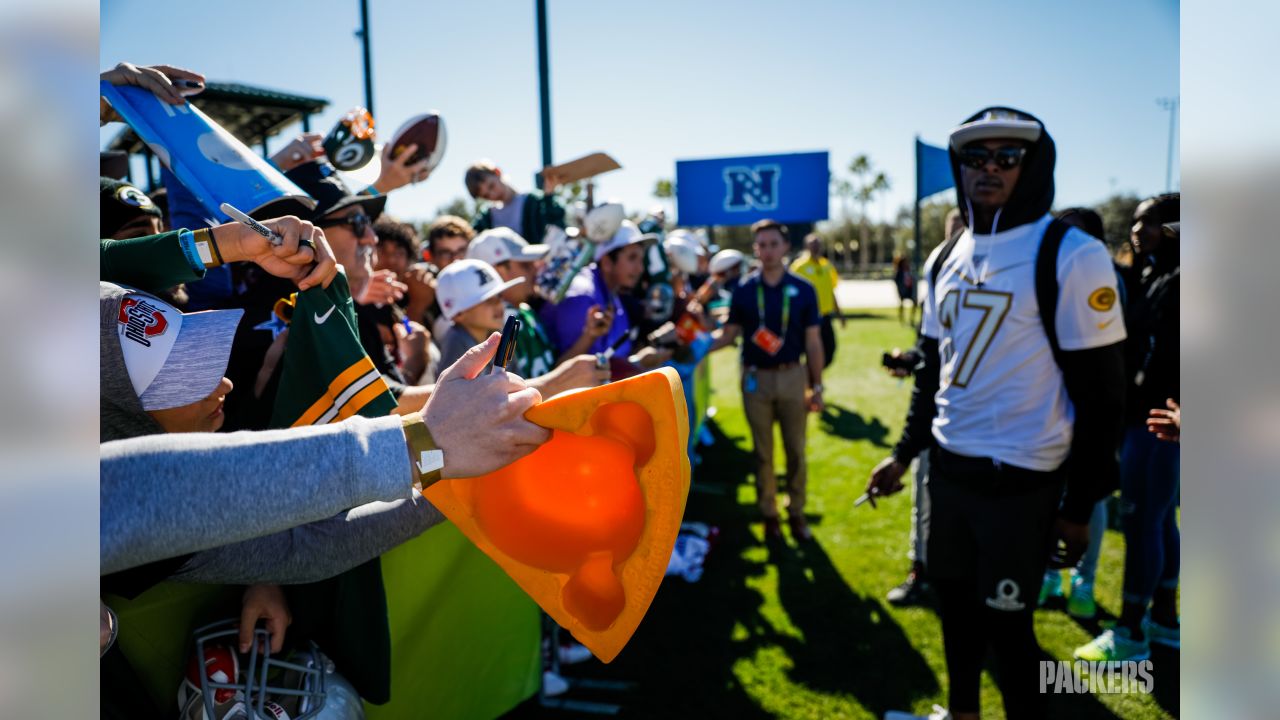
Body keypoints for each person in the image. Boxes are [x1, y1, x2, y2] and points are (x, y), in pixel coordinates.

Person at [867, 108, 1127, 720]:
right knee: (955, 616)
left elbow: (1103, 398)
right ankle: (961, 715)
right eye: (975, 158)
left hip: (1023, 484)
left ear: (1033, 166)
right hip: (951, 475)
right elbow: (933, 371)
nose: (988, 168)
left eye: (1006, 157)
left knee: (1011, 637)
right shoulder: (944, 257)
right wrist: (904, 454)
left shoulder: (1071, 253)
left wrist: (1078, 507)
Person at [1075, 193, 1180, 663]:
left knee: (1142, 524)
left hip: (1159, 422)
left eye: (1152, 222)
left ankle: (1130, 633)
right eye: (1136, 223)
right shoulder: (1153, 275)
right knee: (1159, 522)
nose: (1139, 231)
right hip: (1146, 418)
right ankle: (1163, 621)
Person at [708, 219, 825, 541]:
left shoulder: (803, 290)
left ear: (786, 247)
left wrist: (817, 386)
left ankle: (796, 513)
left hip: (792, 376)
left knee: (795, 452)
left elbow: (814, 342)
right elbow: (729, 333)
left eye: (773, 244)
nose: (767, 251)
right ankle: (769, 513)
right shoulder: (745, 289)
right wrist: (696, 344)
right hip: (755, 379)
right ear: (754, 249)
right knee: (762, 454)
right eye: (761, 245)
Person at [468, 227, 610, 394]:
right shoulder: (491, 325)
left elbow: (553, 373)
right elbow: (499, 398)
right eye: (525, 264)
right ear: (498, 271)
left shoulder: (525, 311)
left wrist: (588, 336)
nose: (536, 268)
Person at [542, 220, 670, 368]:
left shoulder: (613, 293)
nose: (640, 269)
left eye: (641, 260)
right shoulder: (581, 298)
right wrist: (636, 363)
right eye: (632, 258)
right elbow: (567, 376)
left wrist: (644, 354)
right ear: (607, 262)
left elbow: (614, 357)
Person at [435, 258, 524, 370]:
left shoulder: (494, 331)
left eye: (499, 296)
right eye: (488, 300)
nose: (498, 304)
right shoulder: (456, 341)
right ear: (458, 314)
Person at [465, 159, 567, 245]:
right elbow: (470, 237)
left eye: (492, 186)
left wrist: (548, 198)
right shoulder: (486, 218)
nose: (492, 195)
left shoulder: (533, 201)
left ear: (497, 172)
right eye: (486, 196)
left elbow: (556, 224)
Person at [791, 233, 844, 367]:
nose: (815, 247)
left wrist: (840, 314)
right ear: (806, 246)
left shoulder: (826, 266)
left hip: (825, 316)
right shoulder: (799, 266)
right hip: (806, 318)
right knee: (808, 351)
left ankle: (812, 376)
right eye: (812, 244)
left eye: (817, 244)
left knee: (829, 351)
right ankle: (809, 379)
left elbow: (831, 291)